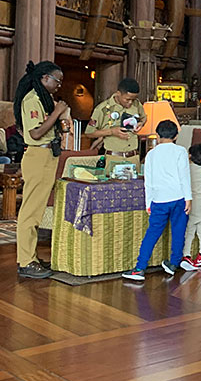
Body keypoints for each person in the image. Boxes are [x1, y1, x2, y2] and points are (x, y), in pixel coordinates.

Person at [13, 61, 71, 279]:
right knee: (30, 212)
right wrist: (57, 112)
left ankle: (32, 258)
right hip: (38, 156)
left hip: (48, 156)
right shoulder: (31, 100)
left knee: (36, 212)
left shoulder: (42, 100)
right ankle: (26, 262)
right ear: (44, 78)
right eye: (57, 81)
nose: (59, 85)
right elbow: (36, 133)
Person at [122, 120, 191, 281]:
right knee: (179, 232)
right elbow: (184, 177)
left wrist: (148, 203)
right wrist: (188, 198)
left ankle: (140, 268)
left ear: (158, 136)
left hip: (159, 200)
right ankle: (174, 264)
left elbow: (149, 182)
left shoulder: (151, 154)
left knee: (152, 233)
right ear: (176, 136)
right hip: (179, 198)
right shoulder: (181, 151)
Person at [85, 78, 146, 160]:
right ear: (118, 93)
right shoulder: (102, 109)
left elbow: (143, 118)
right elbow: (89, 133)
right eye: (127, 99)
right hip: (113, 157)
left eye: (133, 99)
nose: (130, 102)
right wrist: (111, 132)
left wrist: (141, 124)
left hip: (133, 157)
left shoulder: (137, 104)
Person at [180, 143, 201, 270]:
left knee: (190, 229)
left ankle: (186, 254)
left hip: (194, 201)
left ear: (190, 156)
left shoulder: (188, 168)